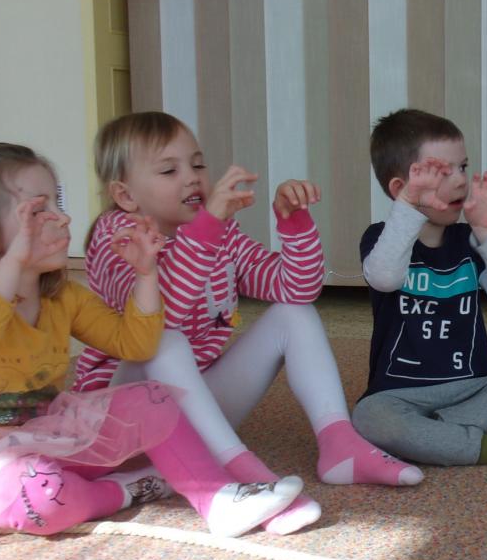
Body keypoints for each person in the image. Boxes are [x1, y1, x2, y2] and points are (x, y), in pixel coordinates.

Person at [0, 143, 304, 542]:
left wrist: (146, 275)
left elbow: (136, 346)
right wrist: (14, 260)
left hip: (44, 438)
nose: (64, 218)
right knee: (42, 495)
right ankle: (126, 490)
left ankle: (217, 498)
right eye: (38, 211)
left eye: (57, 203)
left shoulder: (62, 297)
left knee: (153, 398)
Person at [76, 113, 422, 537]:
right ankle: (239, 472)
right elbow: (165, 315)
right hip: (116, 426)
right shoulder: (116, 238)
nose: (192, 178)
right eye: (169, 170)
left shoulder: (218, 232)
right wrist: (207, 226)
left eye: (198, 164)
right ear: (125, 196)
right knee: (162, 340)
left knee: (293, 314)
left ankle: (339, 443)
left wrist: (293, 223)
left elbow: (295, 288)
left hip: (191, 414)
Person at [353, 109, 487, 468]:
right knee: (369, 418)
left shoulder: (468, 239)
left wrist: (486, 229)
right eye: (442, 172)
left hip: (471, 388)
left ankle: (434, 437)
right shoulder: (380, 237)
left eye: (463, 167)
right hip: (399, 394)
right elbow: (385, 278)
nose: (460, 181)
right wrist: (407, 208)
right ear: (400, 189)